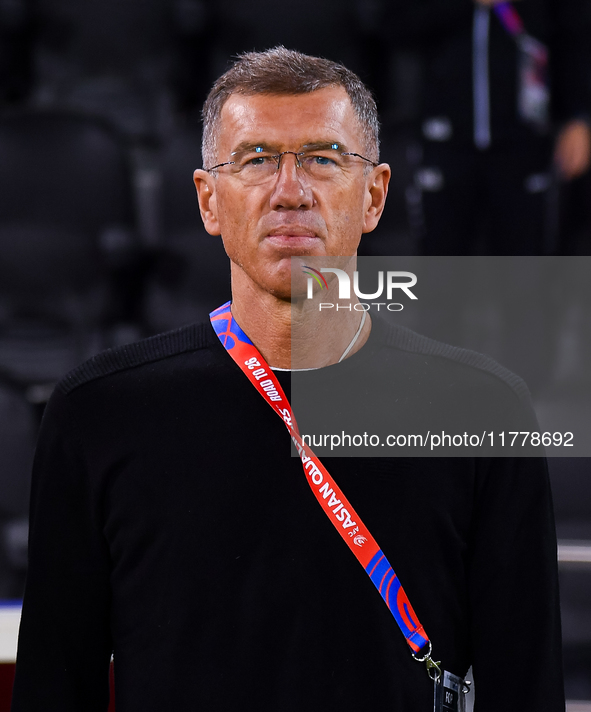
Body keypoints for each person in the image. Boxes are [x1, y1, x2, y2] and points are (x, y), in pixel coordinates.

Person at [11, 48, 564, 711]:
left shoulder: (481, 410)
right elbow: (55, 687)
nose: (290, 191)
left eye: (324, 159)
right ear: (208, 201)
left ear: (375, 196)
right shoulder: (99, 412)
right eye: (256, 159)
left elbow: (525, 688)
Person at [386, 0, 591, 255]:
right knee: (442, 265)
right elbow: (392, 24)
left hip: (523, 143)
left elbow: (573, 34)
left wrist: (579, 116)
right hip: (446, 143)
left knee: (524, 268)